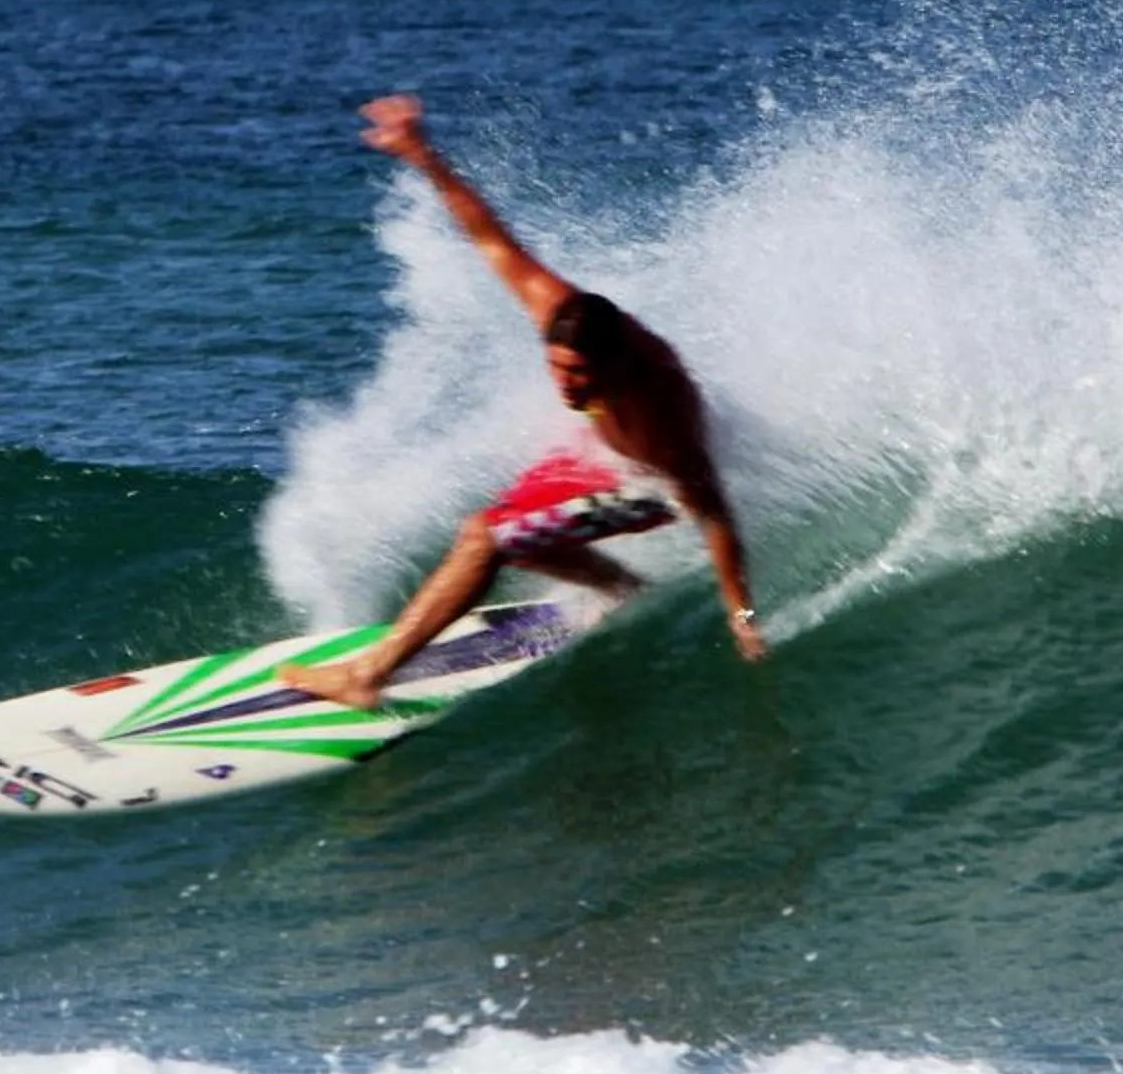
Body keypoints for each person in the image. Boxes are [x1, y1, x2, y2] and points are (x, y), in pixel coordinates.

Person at [279, 95, 767, 710]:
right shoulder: (558, 309)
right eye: (559, 371)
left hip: (648, 481)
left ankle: (365, 679)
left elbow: (712, 510)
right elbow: (487, 235)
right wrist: (421, 153)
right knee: (501, 529)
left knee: (487, 538)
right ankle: (622, 589)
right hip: (598, 453)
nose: (567, 387)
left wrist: (740, 613)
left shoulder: (654, 409)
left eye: (582, 379)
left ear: (615, 364)